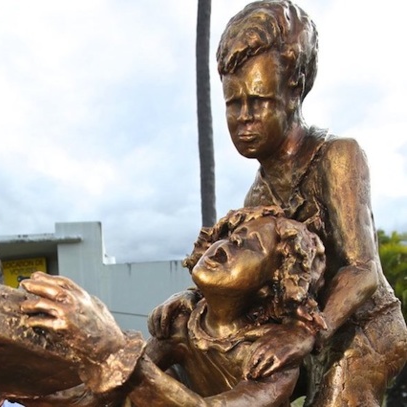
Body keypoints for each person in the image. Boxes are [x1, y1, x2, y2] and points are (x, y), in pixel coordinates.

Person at [148, 1, 407, 406]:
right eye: (234, 104)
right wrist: (191, 300)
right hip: (296, 330)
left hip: (362, 327)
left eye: (259, 100)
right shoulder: (258, 195)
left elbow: (361, 269)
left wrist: (304, 334)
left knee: (335, 395)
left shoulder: (338, 157)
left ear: (295, 88)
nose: (244, 118)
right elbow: (246, 281)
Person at [17, 206, 326, 406]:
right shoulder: (183, 323)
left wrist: (111, 348)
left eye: (249, 246)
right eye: (232, 238)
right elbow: (109, 393)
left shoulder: (275, 355)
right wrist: (24, 385)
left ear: (271, 284)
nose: (224, 248)